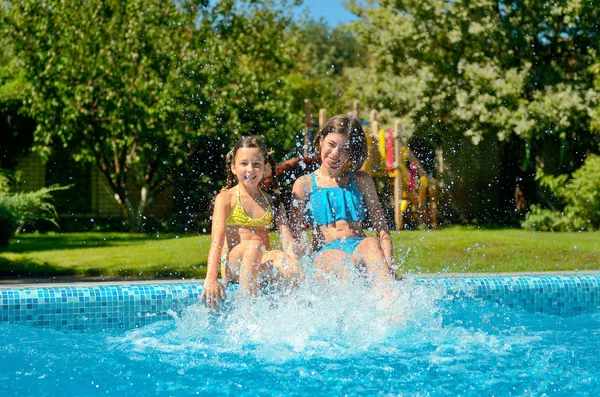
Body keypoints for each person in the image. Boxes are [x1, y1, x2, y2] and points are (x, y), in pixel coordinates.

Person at [289, 114, 399, 286]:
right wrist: (299, 266)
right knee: (339, 259)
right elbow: (294, 235)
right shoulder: (304, 184)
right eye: (331, 145)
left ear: (352, 152)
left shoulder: (362, 181)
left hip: (358, 247)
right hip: (325, 252)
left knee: (370, 242)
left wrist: (388, 265)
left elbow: (381, 227)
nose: (335, 154)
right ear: (321, 141)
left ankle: (391, 305)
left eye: (344, 149)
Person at [200, 136, 303, 309]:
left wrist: (296, 252)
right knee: (254, 245)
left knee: (289, 265)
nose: (250, 169)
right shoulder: (226, 199)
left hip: (259, 262)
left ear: (265, 168)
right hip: (233, 265)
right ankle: (248, 315)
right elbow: (216, 242)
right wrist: (211, 278)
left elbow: (287, 240)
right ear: (233, 167)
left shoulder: (272, 201)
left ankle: (291, 315)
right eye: (243, 164)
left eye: (256, 164)